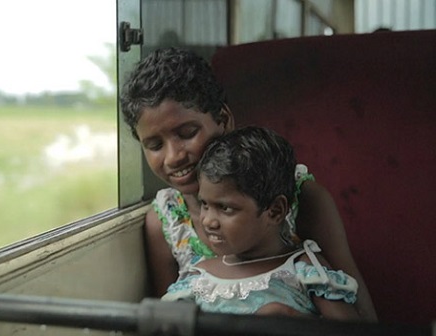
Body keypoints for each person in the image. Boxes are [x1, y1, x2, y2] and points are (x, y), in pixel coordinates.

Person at [119, 47, 377, 321]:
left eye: (187, 133)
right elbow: (171, 322)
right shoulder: (166, 223)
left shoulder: (300, 197)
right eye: (155, 145)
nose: (173, 156)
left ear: (223, 120)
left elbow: (362, 318)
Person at [161, 126, 360, 320]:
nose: (208, 221)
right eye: (204, 204)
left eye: (225, 208)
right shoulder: (198, 280)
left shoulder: (305, 272)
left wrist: (290, 317)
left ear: (274, 211)